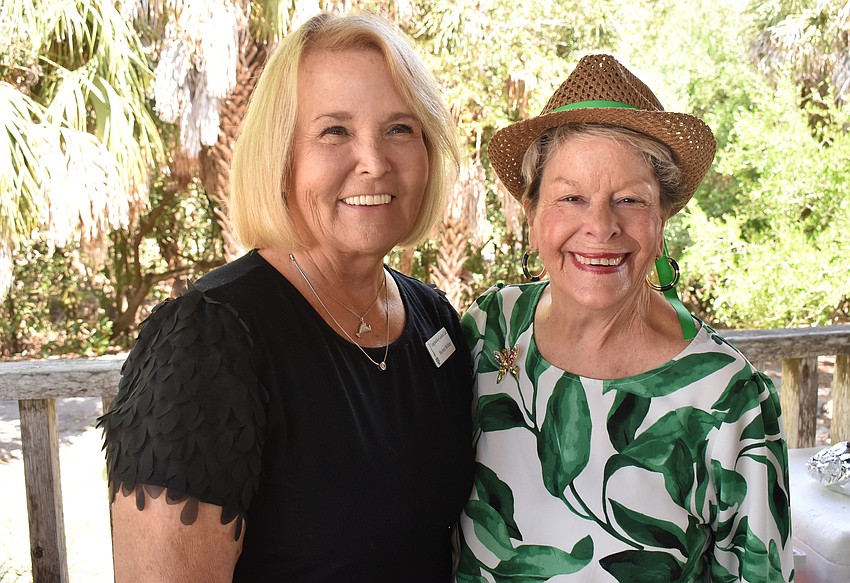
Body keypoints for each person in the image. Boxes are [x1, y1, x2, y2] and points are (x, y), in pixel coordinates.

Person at [98, 12, 474, 582]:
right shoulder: (208, 341)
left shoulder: (433, 321)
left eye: (400, 128)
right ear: (281, 156)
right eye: (335, 131)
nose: (374, 160)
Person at [456, 54, 794, 582]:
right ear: (532, 210)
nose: (600, 227)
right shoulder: (489, 327)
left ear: (663, 216)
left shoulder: (729, 398)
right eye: (571, 197)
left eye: (629, 200)